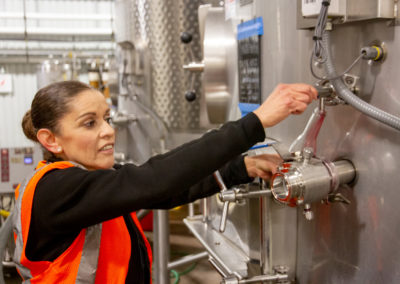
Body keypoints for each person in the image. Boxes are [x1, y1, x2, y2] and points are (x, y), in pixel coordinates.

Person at [14, 80, 317, 283]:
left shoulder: (90, 179)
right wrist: (255, 122)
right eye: (90, 123)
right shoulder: (53, 190)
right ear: (50, 139)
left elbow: (167, 191)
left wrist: (241, 168)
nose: (108, 130)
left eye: (107, 118)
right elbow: (155, 179)